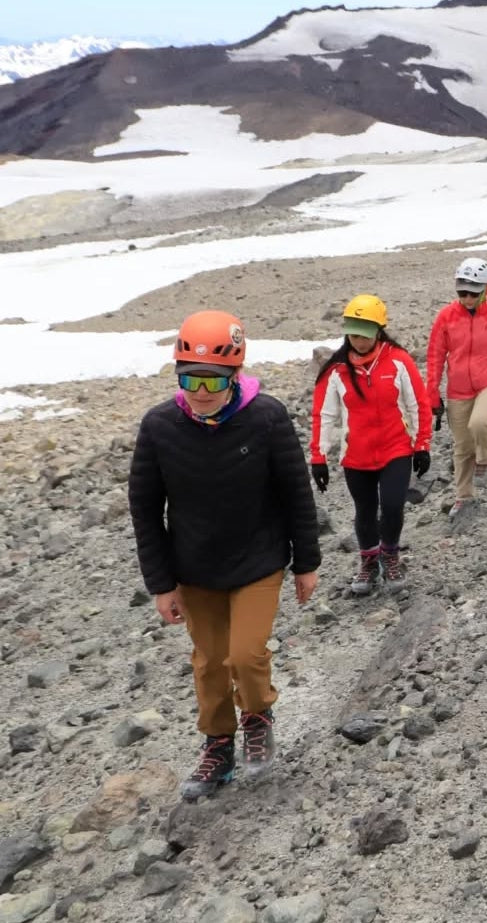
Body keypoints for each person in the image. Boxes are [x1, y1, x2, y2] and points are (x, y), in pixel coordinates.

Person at [128, 310, 321, 802]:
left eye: (211, 379)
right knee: (210, 661)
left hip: (259, 561)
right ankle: (218, 746)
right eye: (188, 377)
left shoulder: (267, 417)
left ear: (236, 373)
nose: (199, 390)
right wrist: (161, 583)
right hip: (194, 570)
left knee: (245, 653)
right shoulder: (159, 427)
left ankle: (257, 716)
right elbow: (145, 508)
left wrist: (307, 563)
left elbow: (296, 492)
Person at [309, 293, 432, 597]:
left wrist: (422, 445)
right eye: (353, 334)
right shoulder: (336, 370)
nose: (359, 341)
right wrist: (318, 457)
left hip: (396, 448)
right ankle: (368, 561)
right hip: (357, 455)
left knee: (391, 506)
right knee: (364, 510)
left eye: (364, 335)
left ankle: (389, 554)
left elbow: (418, 403)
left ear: (379, 330)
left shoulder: (398, 360)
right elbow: (324, 415)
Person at [426, 258, 487, 520]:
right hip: (458, 388)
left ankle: (485, 460)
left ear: (485, 288)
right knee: (462, 446)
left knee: (480, 423)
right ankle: (464, 496)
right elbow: (435, 356)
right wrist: (432, 394)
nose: (467, 298)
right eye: (462, 292)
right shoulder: (446, 316)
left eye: (473, 292)